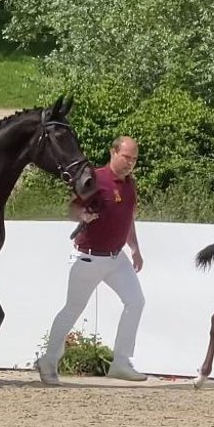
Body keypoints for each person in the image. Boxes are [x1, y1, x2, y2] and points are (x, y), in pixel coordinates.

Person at [33, 136, 147, 385]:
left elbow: (128, 219)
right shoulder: (94, 179)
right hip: (89, 258)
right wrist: (82, 215)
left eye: (134, 159)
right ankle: (49, 360)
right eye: (127, 157)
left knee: (136, 302)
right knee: (73, 308)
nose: (130, 163)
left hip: (116, 258)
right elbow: (72, 209)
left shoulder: (130, 184)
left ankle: (121, 362)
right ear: (113, 152)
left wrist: (135, 248)